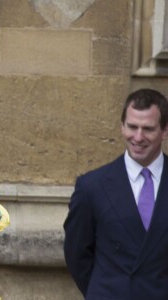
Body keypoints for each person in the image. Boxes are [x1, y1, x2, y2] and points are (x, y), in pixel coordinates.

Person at [63, 88, 168, 300]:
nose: (138, 137)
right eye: (132, 127)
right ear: (122, 127)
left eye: (148, 128)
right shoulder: (92, 186)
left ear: (165, 131)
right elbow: (77, 254)